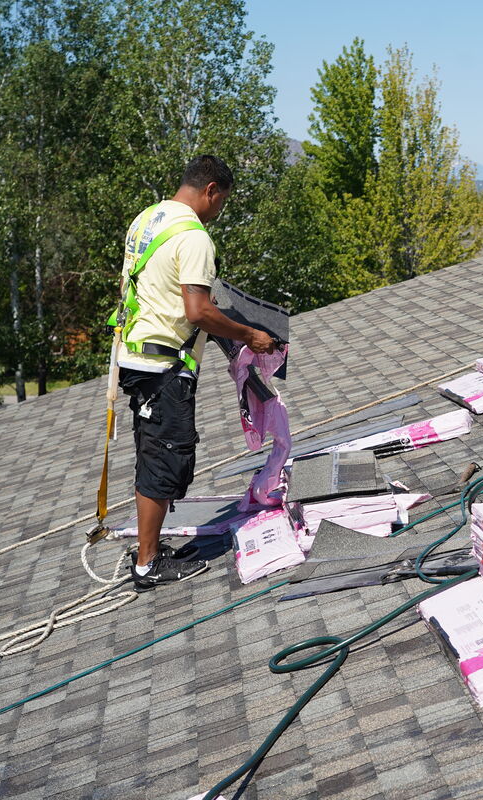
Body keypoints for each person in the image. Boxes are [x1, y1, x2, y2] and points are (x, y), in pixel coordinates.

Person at [116, 155, 274, 591]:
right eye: (221, 201)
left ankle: (153, 547)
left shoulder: (148, 219)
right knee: (165, 456)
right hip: (163, 364)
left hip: (138, 356)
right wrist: (248, 335)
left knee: (158, 450)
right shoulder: (194, 237)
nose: (220, 211)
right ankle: (148, 564)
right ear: (211, 190)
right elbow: (197, 310)